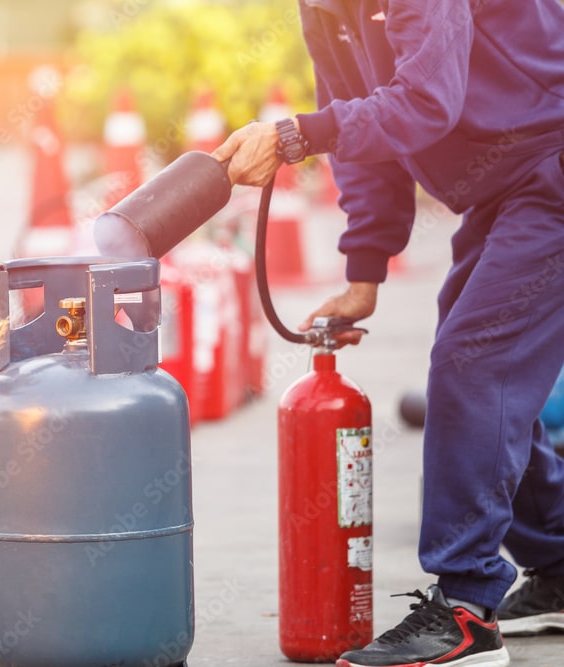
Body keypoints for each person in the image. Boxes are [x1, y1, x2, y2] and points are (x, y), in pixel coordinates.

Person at [213, 1, 564, 666]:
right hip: (507, 183)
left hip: (553, 164)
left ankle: (466, 611)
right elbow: (365, 136)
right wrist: (364, 271)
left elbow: (426, 101)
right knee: (487, 370)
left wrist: (291, 136)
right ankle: (557, 555)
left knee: (473, 364)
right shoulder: (323, 7)